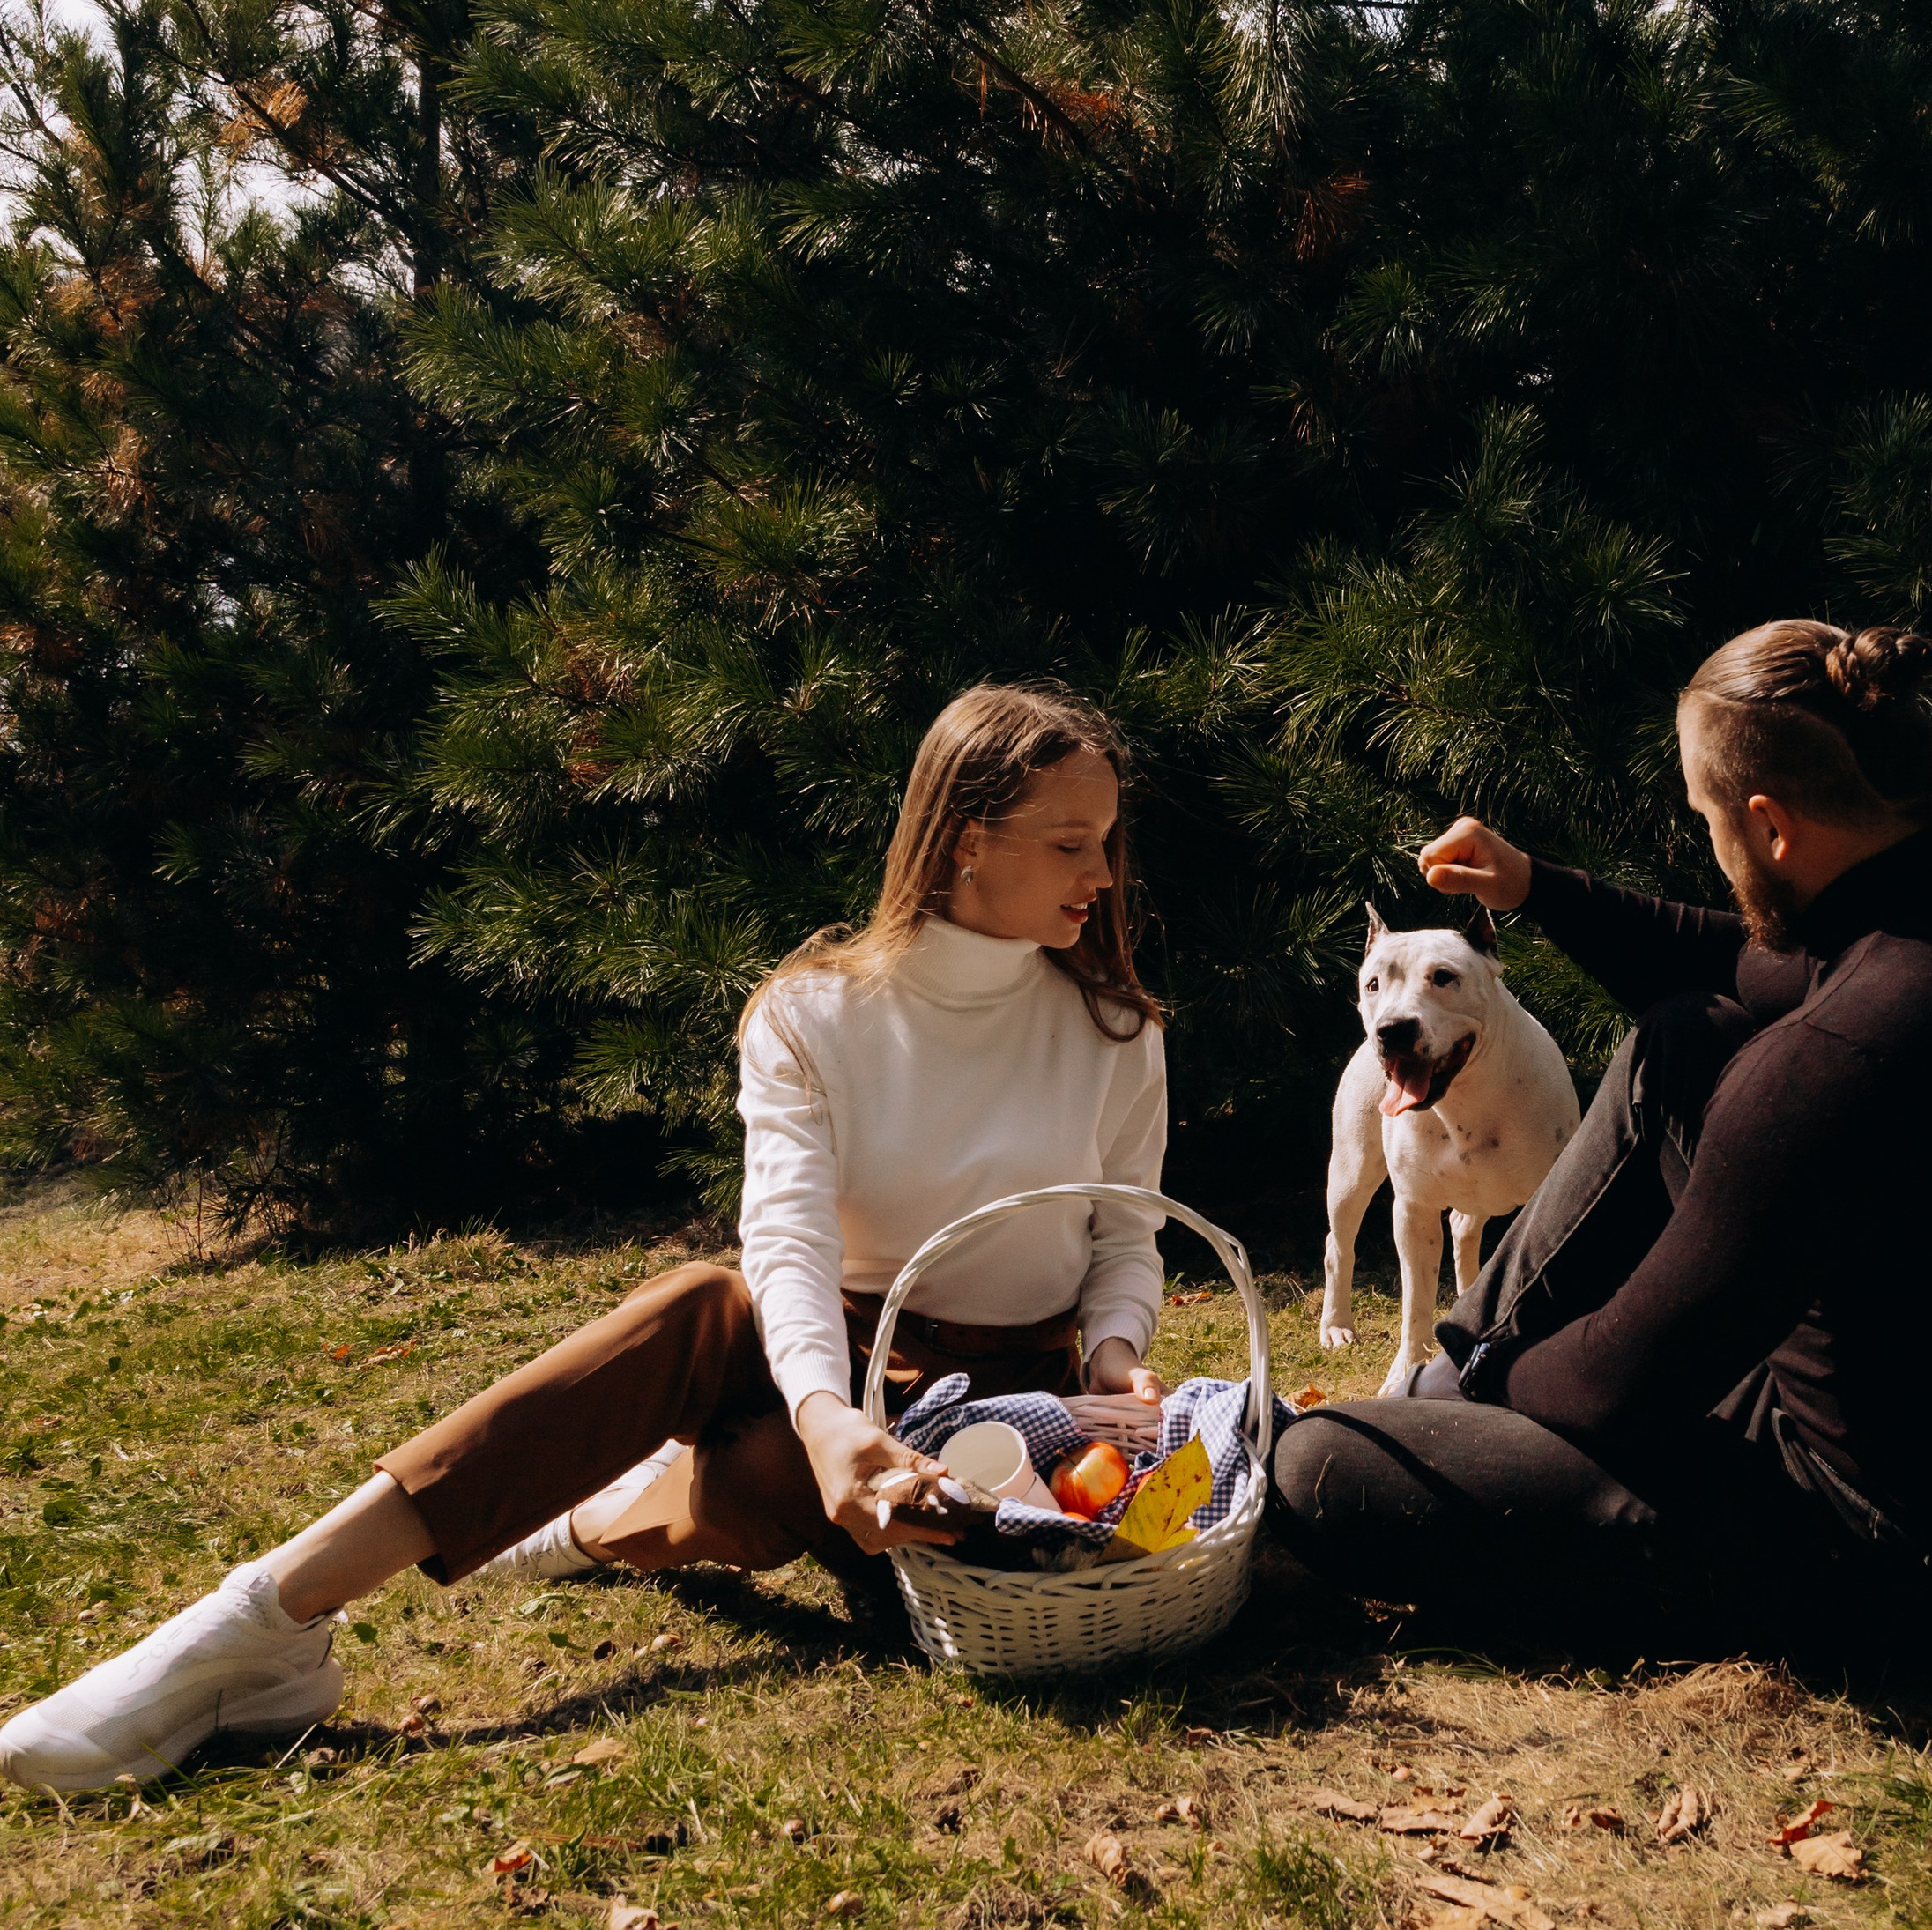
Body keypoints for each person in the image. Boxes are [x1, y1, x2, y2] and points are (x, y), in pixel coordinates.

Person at [1, 686, 1170, 1794]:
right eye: (1071, 842)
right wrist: (828, 1417)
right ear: (967, 834)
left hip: (1001, 1419)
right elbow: (788, 1243)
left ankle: (590, 1519)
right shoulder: (815, 1014)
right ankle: (259, 1622)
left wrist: (1117, 1353)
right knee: (702, 1303)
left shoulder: (1114, 1031)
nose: (1105, 874)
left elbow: (1124, 1237)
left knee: (746, 1475)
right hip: (834, 1359)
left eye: (1110, 840)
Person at [1269, 622, 1932, 1659]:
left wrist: (1490, 1398)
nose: (1706, 843)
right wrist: (1531, 886)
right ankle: (1462, 1373)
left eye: (1704, 818)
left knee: (1321, 1463)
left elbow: (1613, 1381)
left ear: (1770, 828)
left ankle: (1458, 1387)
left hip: (1877, 1550)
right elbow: (1726, 960)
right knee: (1684, 1036)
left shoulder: (1829, 1059)